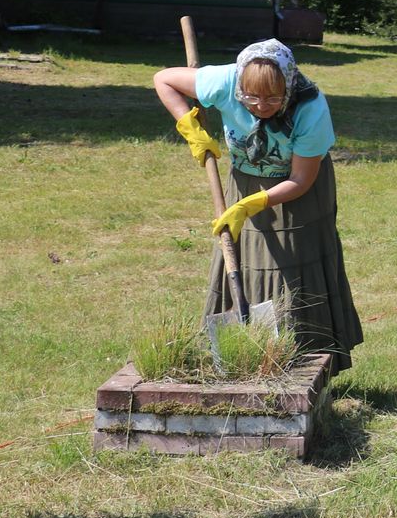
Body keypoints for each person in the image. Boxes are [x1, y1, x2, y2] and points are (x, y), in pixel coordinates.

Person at [153, 39, 364, 372]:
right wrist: (190, 127)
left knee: (292, 267)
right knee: (241, 259)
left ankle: (304, 364)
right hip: (244, 180)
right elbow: (163, 79)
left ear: (287, 87)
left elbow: (301, 180)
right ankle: (241, 357)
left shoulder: (310, 108)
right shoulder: (224, 81)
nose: (260, 106)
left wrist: (256, 203)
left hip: (299, 195)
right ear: (240, 85)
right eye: (250, 97)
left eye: (271, 98)